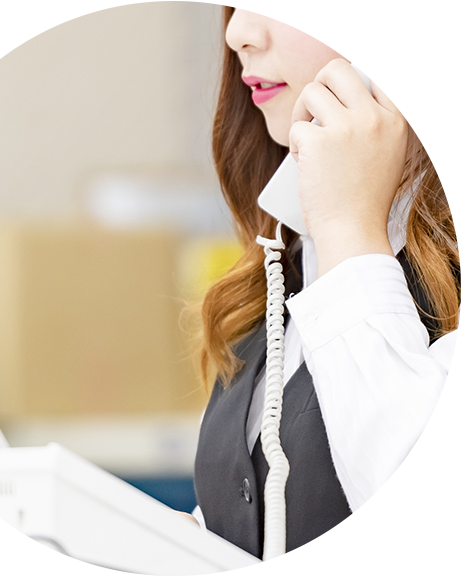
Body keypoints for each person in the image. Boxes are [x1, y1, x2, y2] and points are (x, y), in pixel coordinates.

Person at [192, 2, 461, 575]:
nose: (237, 32)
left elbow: (419, 529)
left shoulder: (343, 240)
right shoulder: (288, 261)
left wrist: (347, 226)